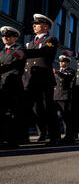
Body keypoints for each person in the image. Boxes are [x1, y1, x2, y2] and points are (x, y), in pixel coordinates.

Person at [15, 14, 59, 146]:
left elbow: (45, 52)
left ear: (45, 26)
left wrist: (25, 52)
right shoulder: (31, 42)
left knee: (47, 109)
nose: (34, 26)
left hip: (43, 81)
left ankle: (54, 136)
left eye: (37, 23)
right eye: (34, 24)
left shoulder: (50, 40)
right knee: (27, 109)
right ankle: (22, 137)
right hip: (29, 80)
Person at [0, 26, 25, 148]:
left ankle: (13, 140)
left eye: (8, 35)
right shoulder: (1, 52)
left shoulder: (19, 49)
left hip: (13, 86)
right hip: (3, 86)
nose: (5, 38)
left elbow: (13, 65)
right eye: (4, 36)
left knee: (12, 114)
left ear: (15, 37)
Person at [53, 55, 76, 143]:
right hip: (55, 96)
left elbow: (67, 77)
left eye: (64, 61)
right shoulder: (56, 71)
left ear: (67, 63)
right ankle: (56, 135)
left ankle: (69, 136)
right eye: (61, 61)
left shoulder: (70, 71)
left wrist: (58, 73)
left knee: (66, 118)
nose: (62, 63)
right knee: (55, 118)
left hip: (64, 96)